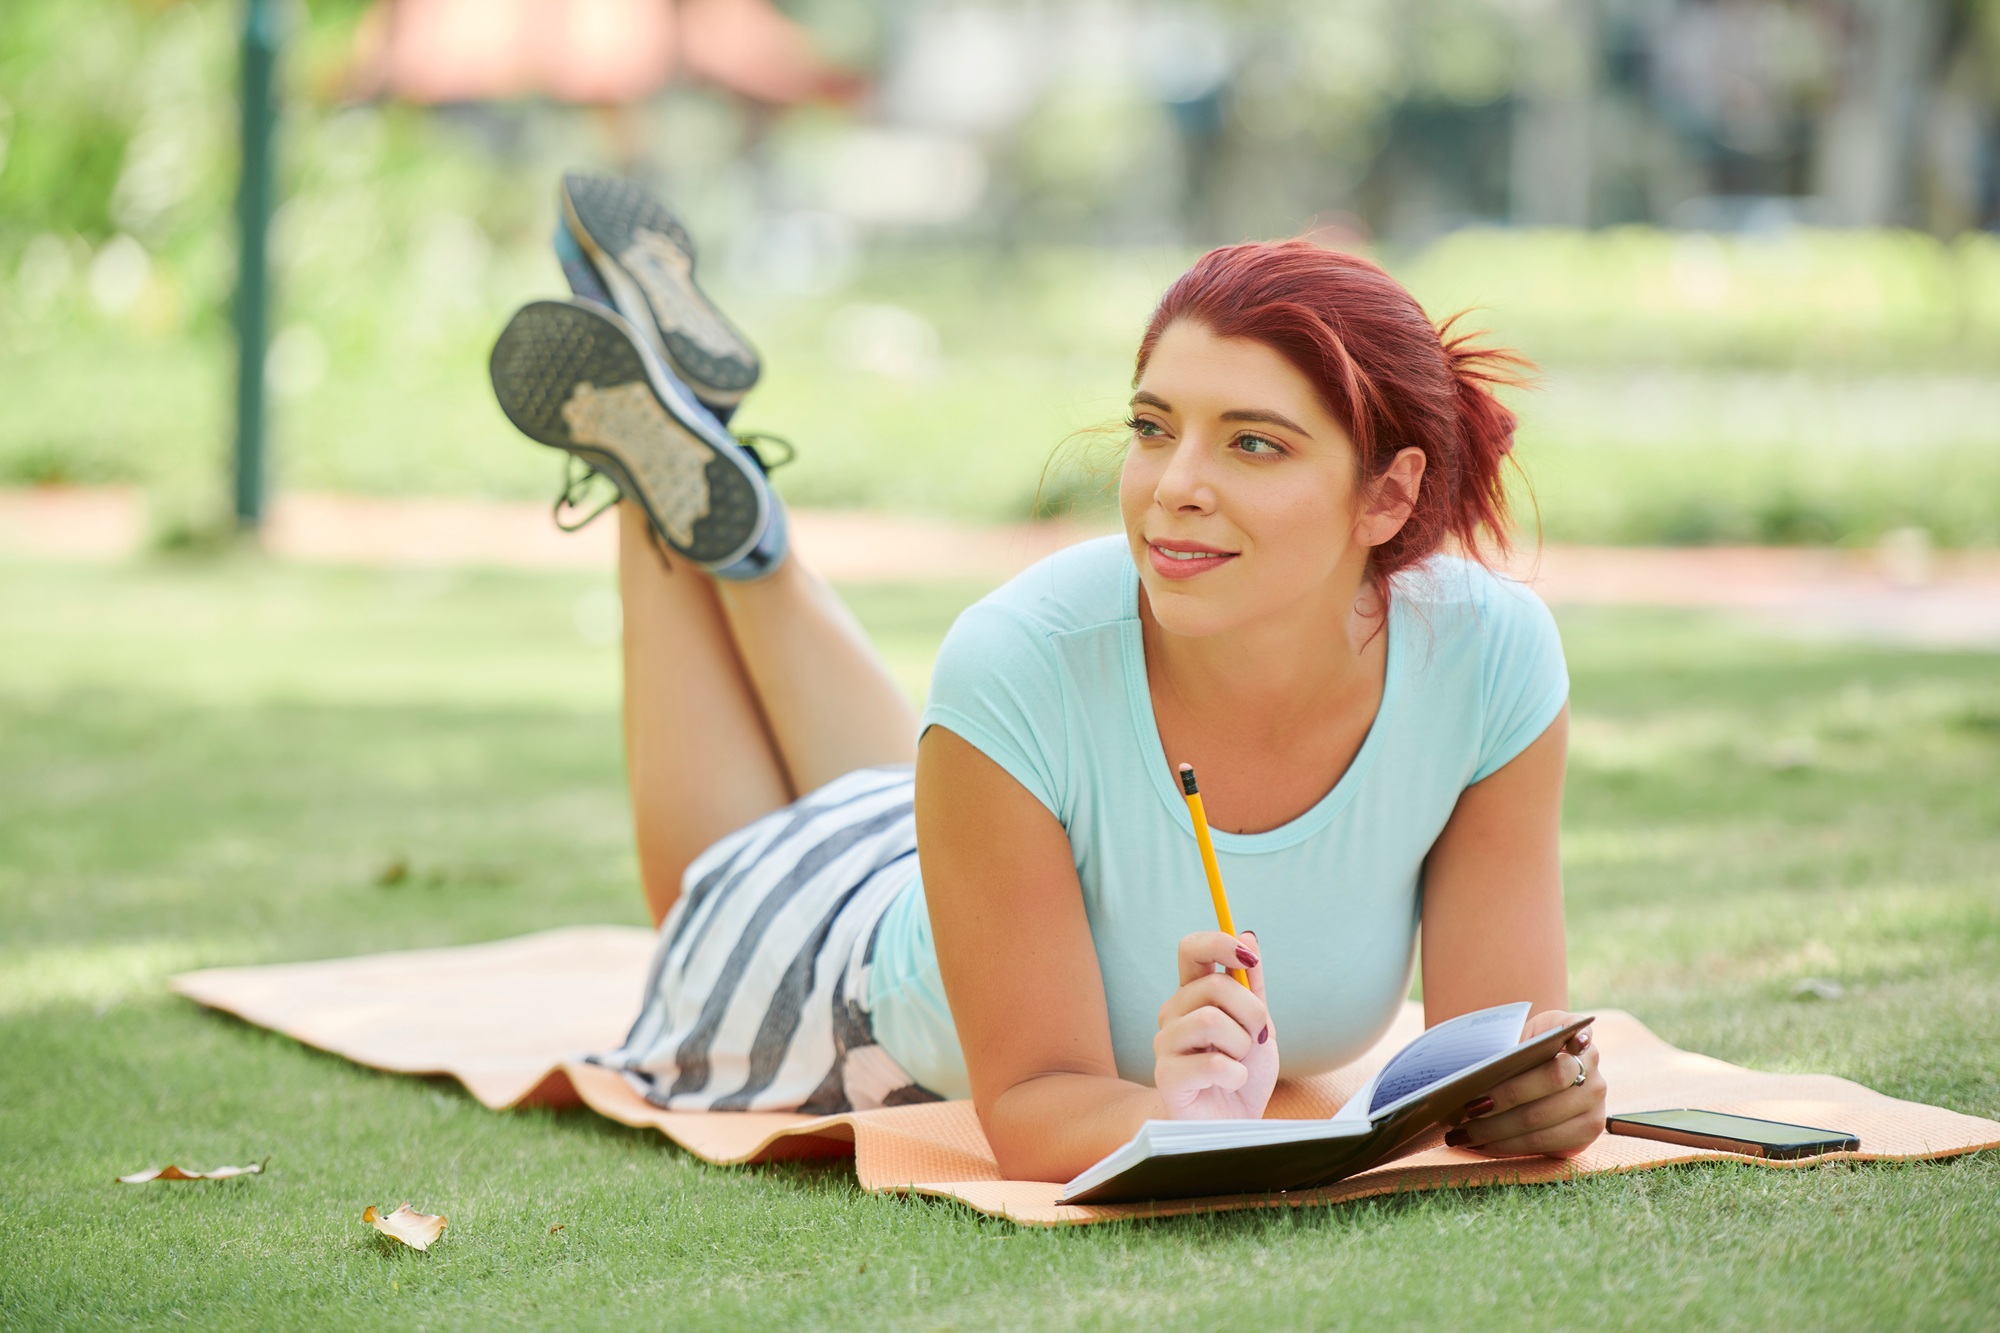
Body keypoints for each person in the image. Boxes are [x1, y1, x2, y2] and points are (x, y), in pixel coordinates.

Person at [489, 174, 1607, 1182]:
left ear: (1387, 498)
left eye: (1251, 443)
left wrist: (1539, 1099)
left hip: (947, 841)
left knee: (954, 757)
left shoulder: (1486, 663)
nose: (1172, 485)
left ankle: (708, 457)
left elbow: (1491, 1054)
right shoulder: (1022, 652)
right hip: (816, 966)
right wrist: (1189, 1124)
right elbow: (1031, 1104)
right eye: (1151, 426)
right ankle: (652, 481)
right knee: (705, 882)